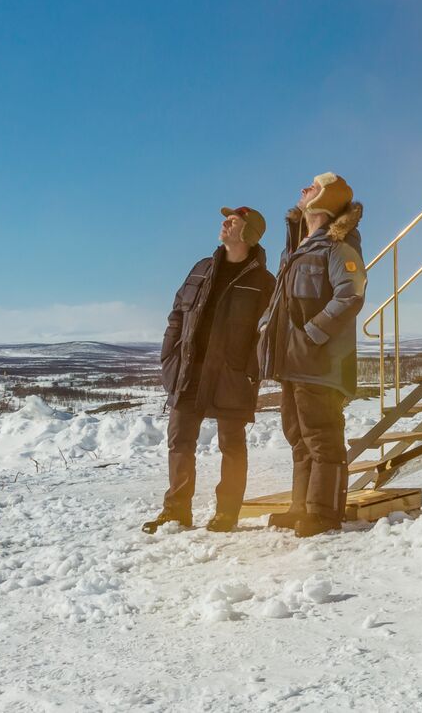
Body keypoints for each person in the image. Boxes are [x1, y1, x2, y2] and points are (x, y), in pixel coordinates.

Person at [142, 204, 272, 534]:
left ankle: (227, 513)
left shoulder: (263, 282)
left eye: (233, 221)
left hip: (232, 375)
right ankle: (176, 512)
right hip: (190, 371)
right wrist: (169, 356)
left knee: (232, 445)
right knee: (179, 442)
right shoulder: (201, 268)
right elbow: (177, 315)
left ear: (248, 233)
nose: (225, 224)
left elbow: (267, 332)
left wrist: (250, 370)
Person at [256, 172, 366, 537]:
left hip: (320, 362)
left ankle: (324, 512)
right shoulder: (299, 250)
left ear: (327, 201)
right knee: (298, 437)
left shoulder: (338, 247)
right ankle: (301, 507)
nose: (304, 189)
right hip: (292, 362)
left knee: (322, 437)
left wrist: (311, 335)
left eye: (314, 187)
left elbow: (350, 295)